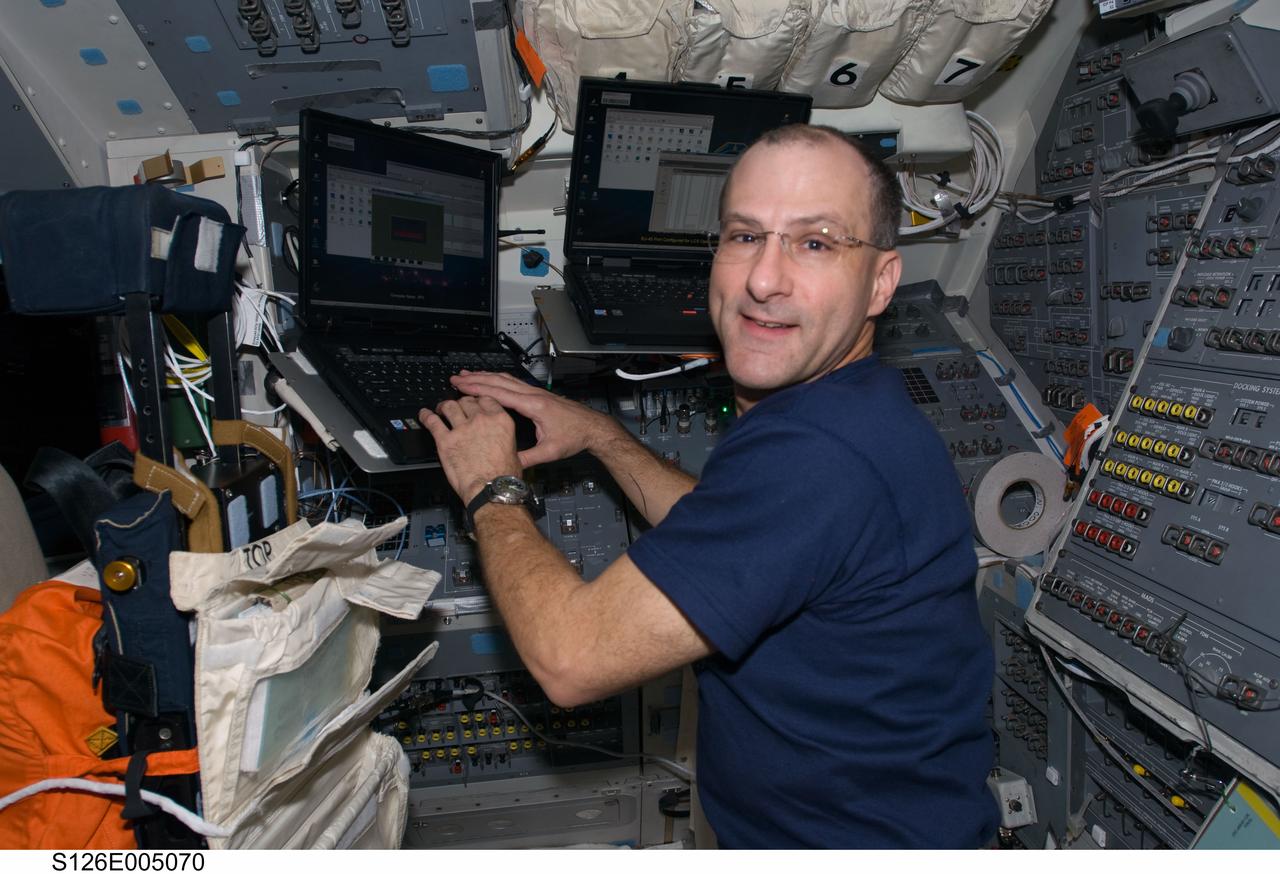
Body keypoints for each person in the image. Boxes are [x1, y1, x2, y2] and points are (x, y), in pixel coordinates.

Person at [418, 124, 998, 848]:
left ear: (882, 281)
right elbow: (734, 543)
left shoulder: (818, 457)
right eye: (745, 236)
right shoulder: (845, 406)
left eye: (814, 243)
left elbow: (569, 660)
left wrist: (488, 485)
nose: (764, 280)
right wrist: (601, 435)